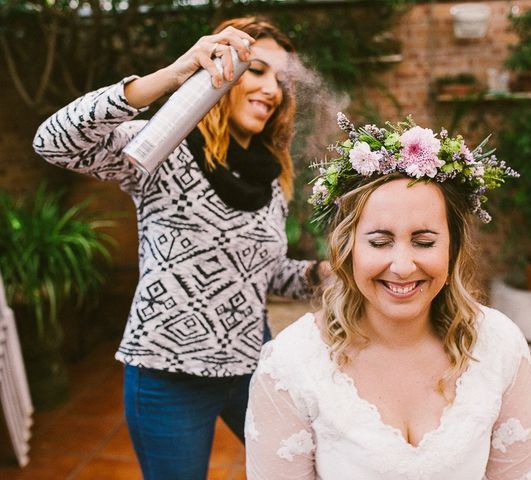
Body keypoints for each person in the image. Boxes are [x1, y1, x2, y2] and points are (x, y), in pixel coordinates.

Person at [33, 16, 329, 480]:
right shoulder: (163, 146)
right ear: (222, 71)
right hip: (168, 379)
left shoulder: (271, 178)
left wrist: (324, 274)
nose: (272, 89)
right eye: (256, 69)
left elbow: (261, 274)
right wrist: (175, 72)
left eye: (281, 79)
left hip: (254, 369)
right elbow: (53, 142)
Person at [245, 114, 531, 479]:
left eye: (424, 242)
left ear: (452, 249)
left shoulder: (499, 344)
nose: (403, 266)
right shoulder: (292, 362)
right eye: (379, 242)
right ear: (348, 248)